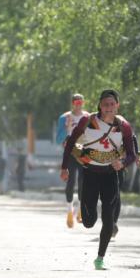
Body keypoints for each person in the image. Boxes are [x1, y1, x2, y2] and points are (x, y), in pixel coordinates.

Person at [61, 89, 135, 270]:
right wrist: (64, 167)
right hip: (90, 174)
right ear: (100, 106)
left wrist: (123, 163)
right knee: (88, 222)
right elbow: (70, 142)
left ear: (117, 105)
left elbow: (132, 154)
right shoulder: (89, 121)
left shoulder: (123, 126)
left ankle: (100, 258)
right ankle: (87, 215)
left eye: (112, 104)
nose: (109, 108)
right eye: (105, 105)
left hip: (110, 175)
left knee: (109, 218)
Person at [57, 93, 91, 228]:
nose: (78, 104)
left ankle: (80, 211)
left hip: (83, 152)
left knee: (83, 182)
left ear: (83, 102)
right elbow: (58, 139)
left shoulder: (88, 117)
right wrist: (66, 128)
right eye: (76, 102)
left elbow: (93, 134)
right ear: (72, 103)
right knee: (70, 181)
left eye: (80, 102)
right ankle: (69, 211)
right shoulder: (64, 117)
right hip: (70, 152)